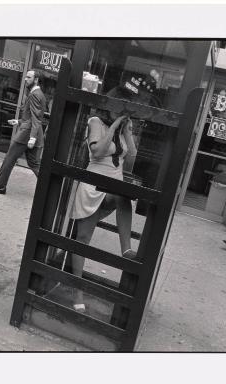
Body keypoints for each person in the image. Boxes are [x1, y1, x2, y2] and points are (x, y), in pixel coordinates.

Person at [70, 86, 140, 312]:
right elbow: (98, 151)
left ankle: (126, 249)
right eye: (118, 106)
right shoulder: (96, 123)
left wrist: (126, 129)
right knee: (82, 238)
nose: (120, 111)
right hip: (92, 186)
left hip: (112, 187)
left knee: (124, 197)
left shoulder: (122, 129)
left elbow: (132, 155)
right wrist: (113, 127)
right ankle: (77, 291)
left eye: (125, 109)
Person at [0, 70, 46, 194]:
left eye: (29, 77)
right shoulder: (40, 94)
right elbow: (33, 117)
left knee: (10, 158)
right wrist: (18, 121)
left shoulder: (34, 94)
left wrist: (32, 137)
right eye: (26, 77)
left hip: (26, 134)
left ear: (36, 80)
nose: (25, 79)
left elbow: (35, 118)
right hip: (31, 131)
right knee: (34, 163)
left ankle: (1, 186)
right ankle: (48, 187)